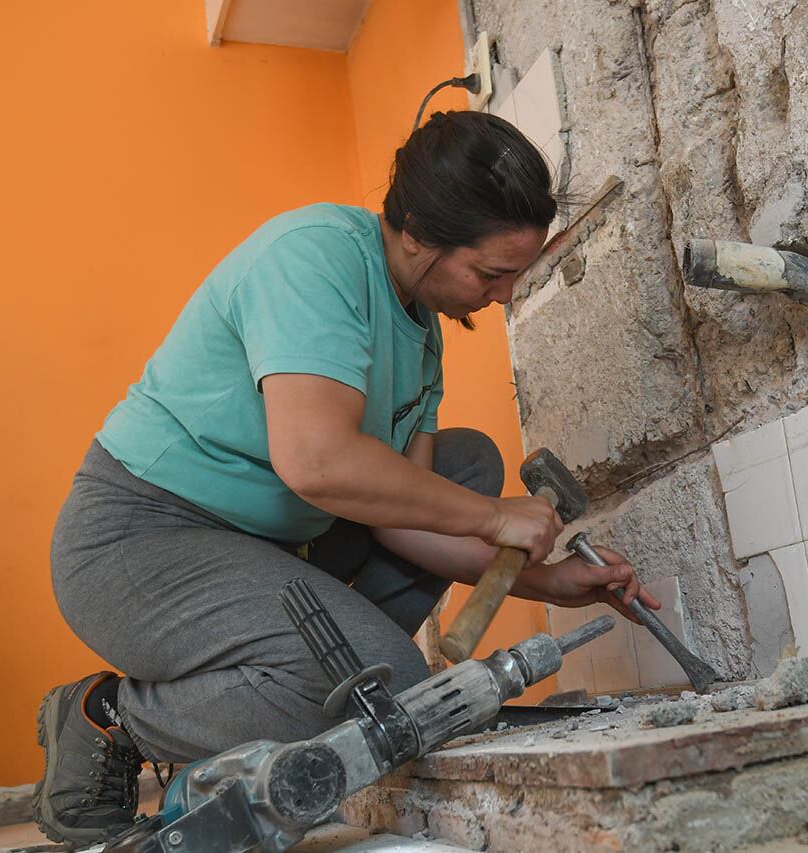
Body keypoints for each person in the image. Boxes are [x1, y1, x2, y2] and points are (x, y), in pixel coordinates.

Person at [33, 110, 659, 846]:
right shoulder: (315, 259)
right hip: (139, 542)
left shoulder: (422, 332)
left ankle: (305, 689)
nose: (501, 297)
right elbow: (317, 461)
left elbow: (406, 519)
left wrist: (548, 583)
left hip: (266, 546)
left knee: (464, 467)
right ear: (420, 232)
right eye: (491, 274)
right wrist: (495, 521)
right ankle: (108, 714)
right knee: (383, 687)